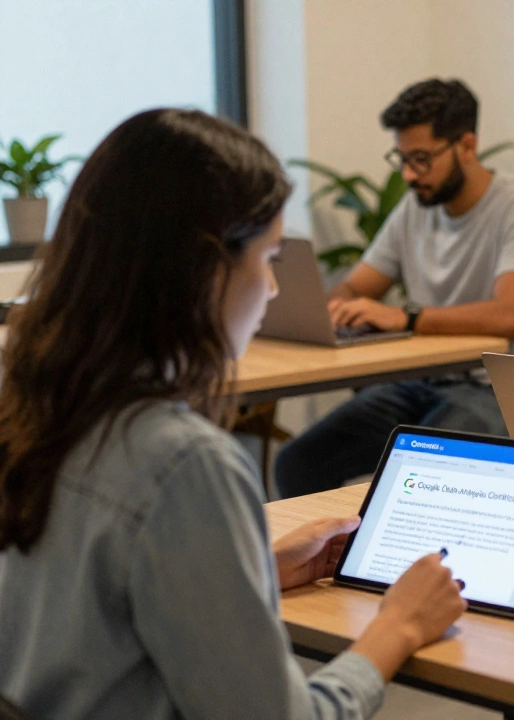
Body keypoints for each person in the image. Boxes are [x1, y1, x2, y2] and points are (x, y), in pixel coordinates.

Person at [0, 109, 466, 719]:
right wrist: (397, 629)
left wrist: (251, 574)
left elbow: (87, 614)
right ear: (208, 268)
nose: (273, 290)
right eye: (270, 259)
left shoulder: (36, 407)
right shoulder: (184, 463)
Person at [275, 78, 514, 499]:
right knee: (298, 463)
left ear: (467, 146)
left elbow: (509, 316)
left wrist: (406, 317)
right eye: (403, 158)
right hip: (422, 382)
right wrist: (330, 311)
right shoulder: (415, 208)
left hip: (501, 390)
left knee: (413, 479)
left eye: (422, 159)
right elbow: (357, 286)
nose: (409, 174)